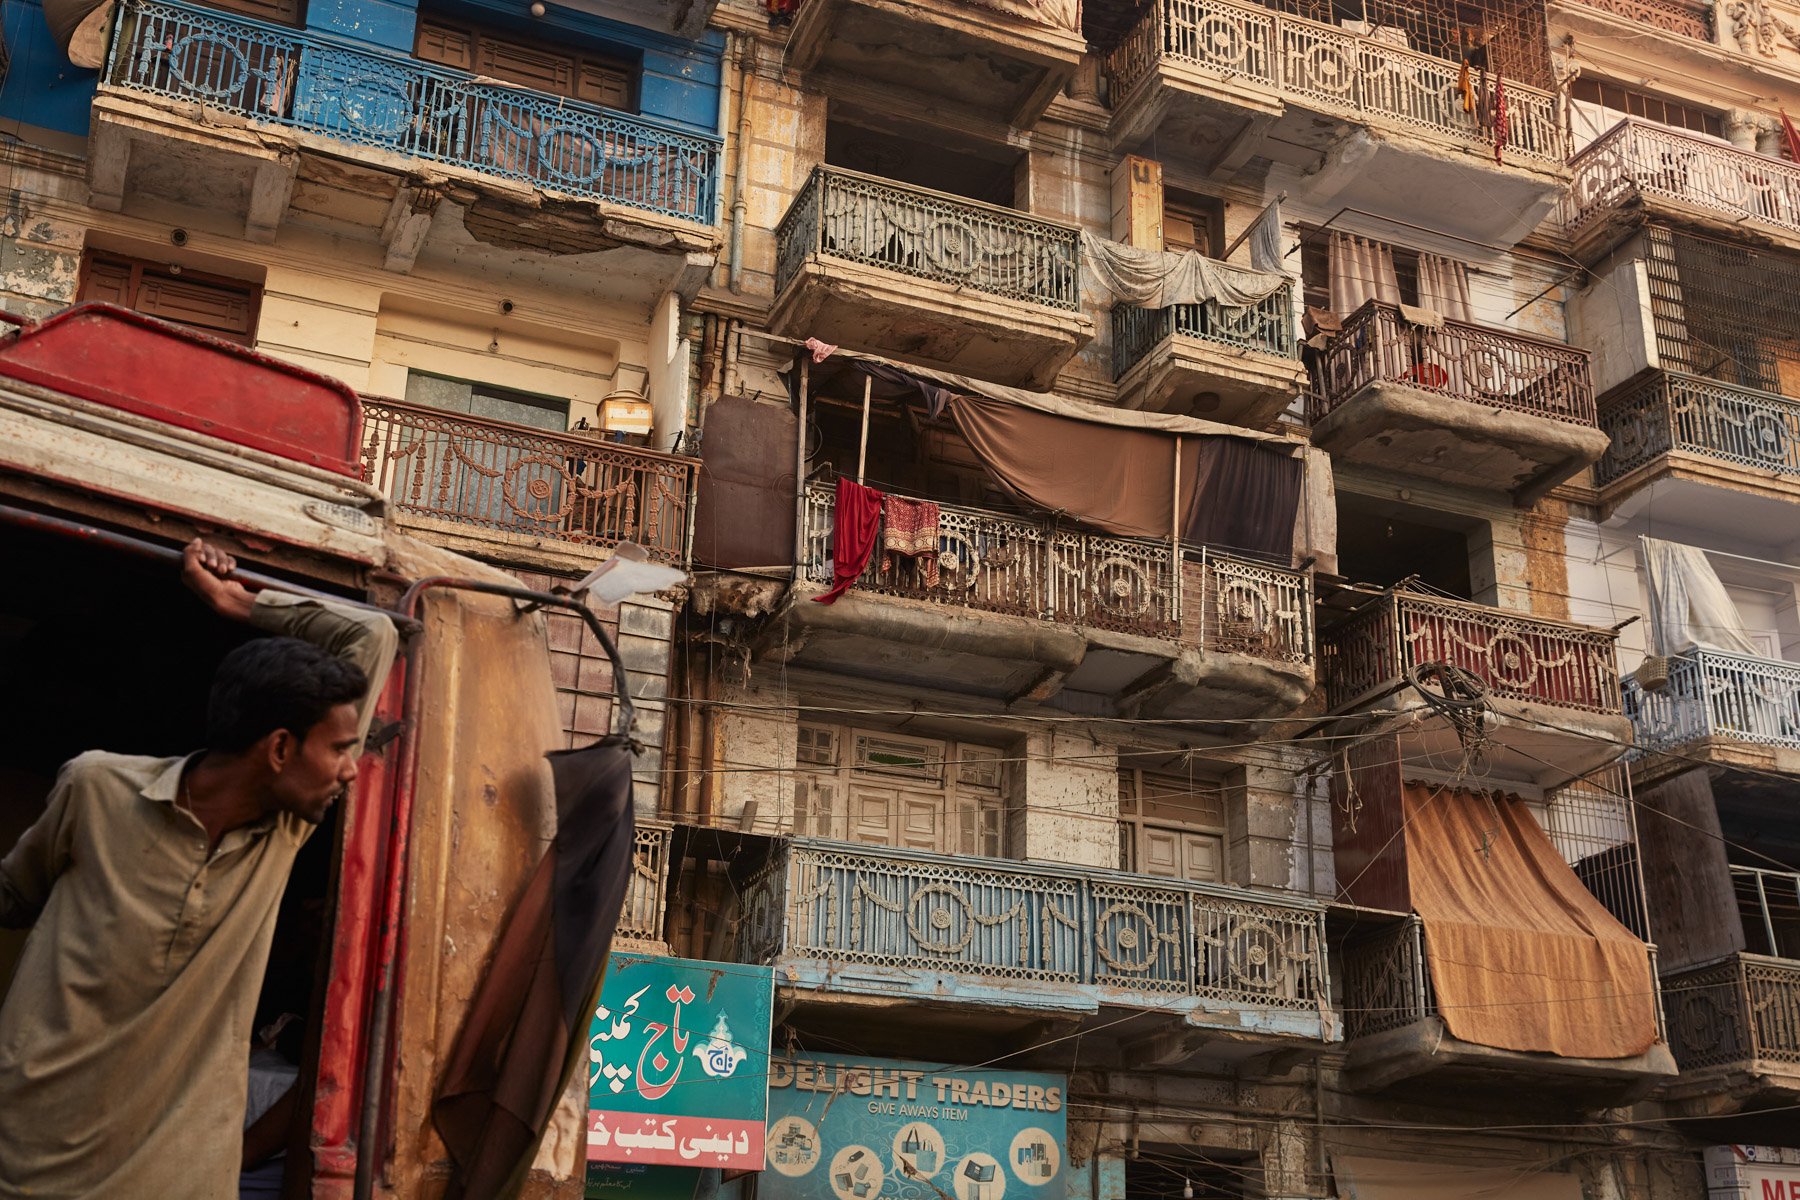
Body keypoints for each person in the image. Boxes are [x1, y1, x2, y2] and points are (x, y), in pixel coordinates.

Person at [0, 539, 398, 1199]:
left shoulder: (283, 834)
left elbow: (374, 633)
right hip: (31, 1155)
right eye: (339, 750)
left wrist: (237, 602)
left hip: (175, 1176)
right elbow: (14, 895)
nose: (351, 769)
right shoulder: (97, 787)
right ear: (278, 749)